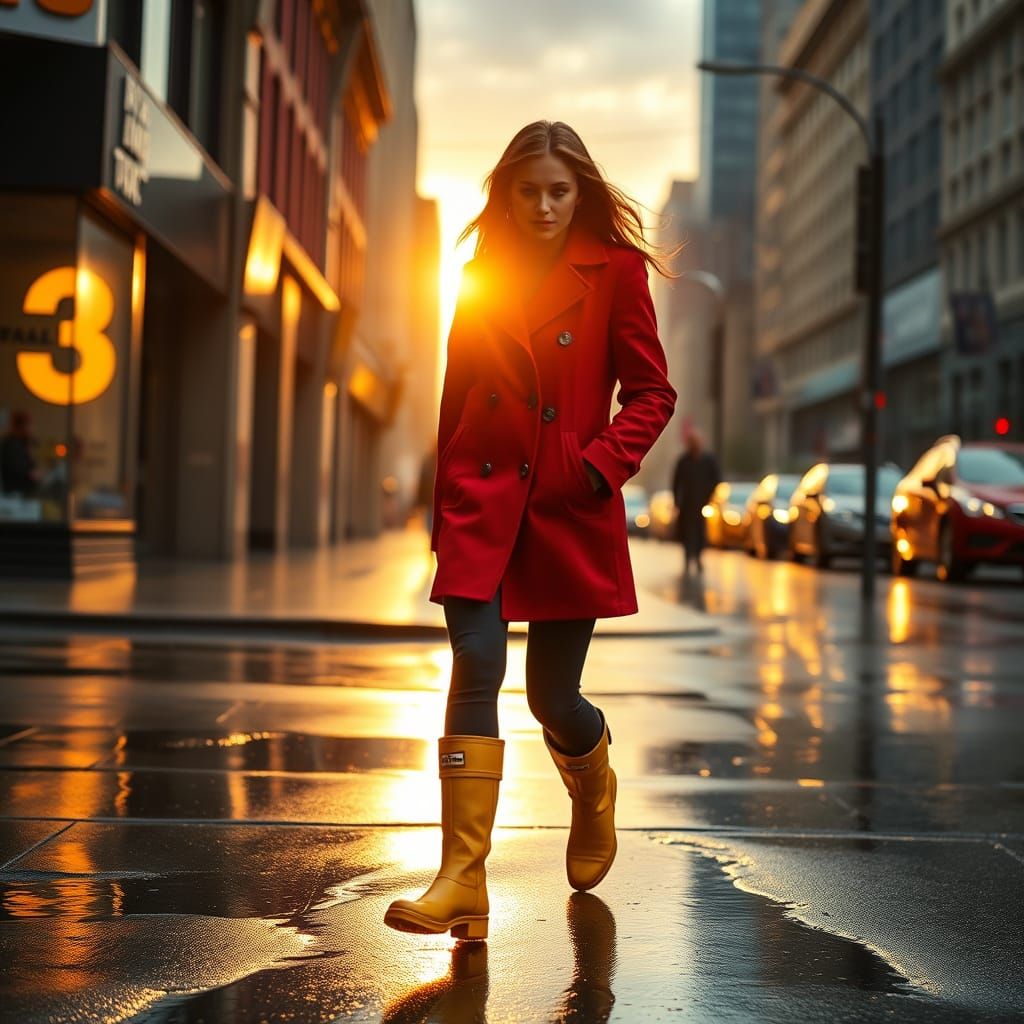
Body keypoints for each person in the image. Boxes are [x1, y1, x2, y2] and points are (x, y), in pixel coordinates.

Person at [384, 121, 677, 940]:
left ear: (580, 195)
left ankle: (593, 781)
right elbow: (455, 402)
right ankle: (462, 878)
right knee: (476, 662)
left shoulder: (615, 272)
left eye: (559, 191)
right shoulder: (480, 275)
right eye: (529, 190)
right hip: (482, 503)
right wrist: (443, 511)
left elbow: (653, 393)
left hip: (563, 503)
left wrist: (595, 466)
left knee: (552, 696)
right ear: (506, 195)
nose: (544, 205)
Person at [671, 429, 720, 575]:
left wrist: (709, 496)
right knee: (686, 532)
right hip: (687, 504)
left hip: (702, 503)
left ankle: (698, 557)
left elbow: (716, 479)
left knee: (700, 532)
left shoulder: (708, 461)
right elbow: (676, 482)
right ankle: (688, 558)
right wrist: (677, 501)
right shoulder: (683, 461)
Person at [0, 410, 39, 497]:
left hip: (19, 493)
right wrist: (31, 474)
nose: (32, 429)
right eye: (30, 425)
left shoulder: (20, 443)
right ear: (22, 426)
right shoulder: (12, 444)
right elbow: (17, 469)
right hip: (14, 495)